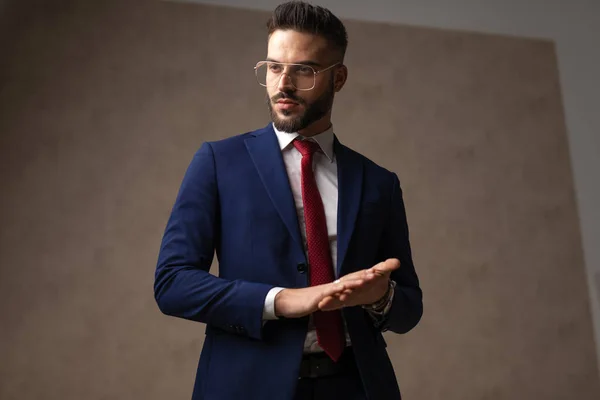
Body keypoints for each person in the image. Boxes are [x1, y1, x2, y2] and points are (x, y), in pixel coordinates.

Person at [154, 2, 422, 399]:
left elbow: (409, 309)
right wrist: (280, 300)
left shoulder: (378, 183)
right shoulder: (218, 162)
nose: (284, 85)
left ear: (340, 78)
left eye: (305, 70)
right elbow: (172, 283)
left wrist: (379, 296)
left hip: (356, 386)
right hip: (245, 386)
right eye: (274, 67)